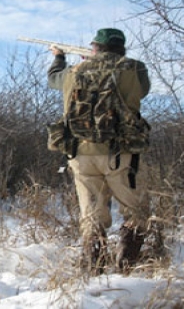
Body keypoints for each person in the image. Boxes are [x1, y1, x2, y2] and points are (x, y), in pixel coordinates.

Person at [47, 28, 151, 274]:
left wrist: (59, 57)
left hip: (81, 154)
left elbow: (53, 79)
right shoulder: (135, 68)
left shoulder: (74, 71)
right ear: (121, 47)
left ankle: (93, 271)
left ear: (94, 48)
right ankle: (126, 269)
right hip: (122, 153)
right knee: (136, 211)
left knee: (91, 213)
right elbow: (142, 91)